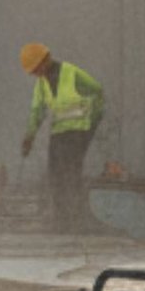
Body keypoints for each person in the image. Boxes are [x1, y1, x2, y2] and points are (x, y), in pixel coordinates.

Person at [18, 42, 105, 231]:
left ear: (45, 60)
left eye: (35, 69)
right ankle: (62, 220)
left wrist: (92, 124)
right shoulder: (42, 84)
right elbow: (37, 111)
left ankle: (75, 221)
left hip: (79, 131)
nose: (35, 74)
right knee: (55, 175)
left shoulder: (72, 73)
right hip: (59, 131)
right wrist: (29, 137)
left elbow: (97, 91)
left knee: (70, 175)